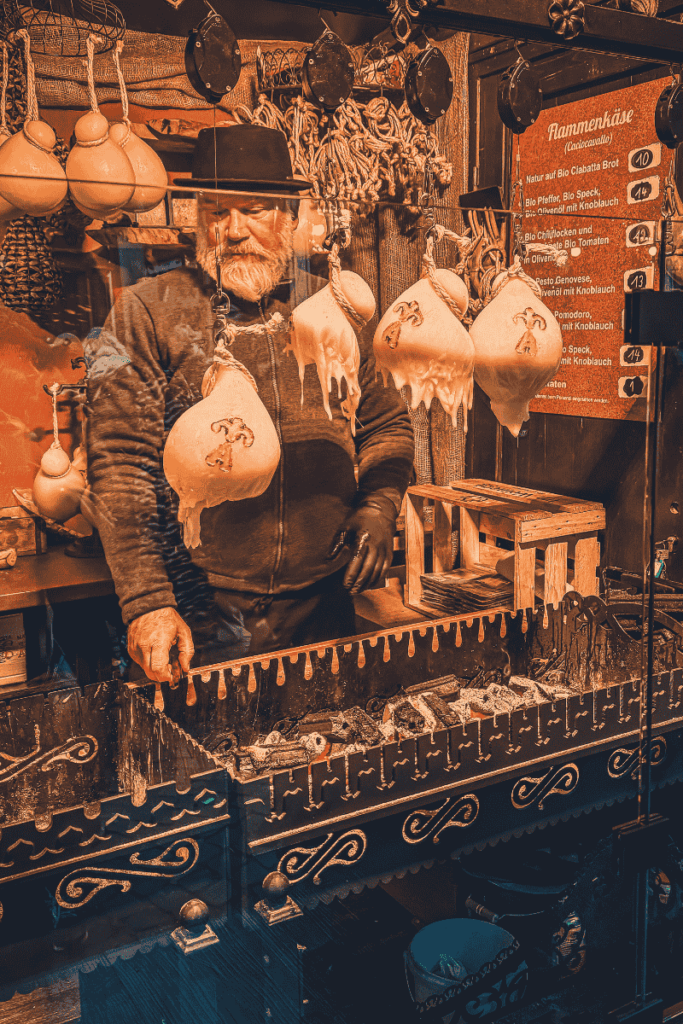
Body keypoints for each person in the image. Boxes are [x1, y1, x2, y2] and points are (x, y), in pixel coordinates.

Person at [85, 124, 414, 683]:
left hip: (325, 601)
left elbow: (387, 424)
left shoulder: (332, 309)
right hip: (203, 608)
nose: (232, 231)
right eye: (215, 211)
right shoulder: (149, 311)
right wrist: (146, 601)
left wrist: (380, 505)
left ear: (289, 215)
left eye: (254, 210)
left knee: (326, 752)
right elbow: (120, 465)